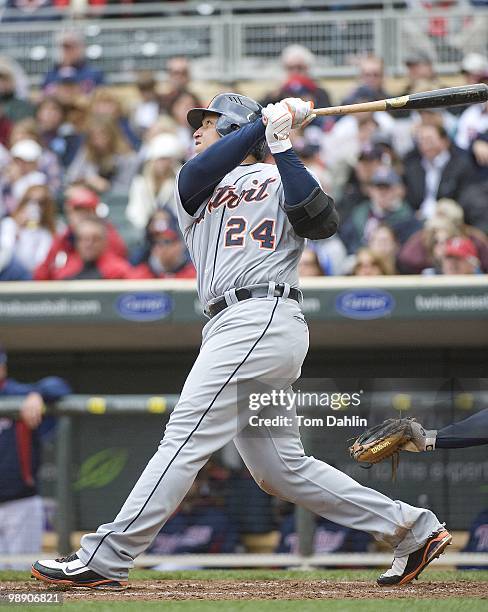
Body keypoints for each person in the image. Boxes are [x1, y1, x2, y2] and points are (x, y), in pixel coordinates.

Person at [32, 93, 450, 590]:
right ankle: (412, 528)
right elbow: (202, 167)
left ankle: (107, 556)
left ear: (232, 127)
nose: (196, 131)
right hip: (234, 324)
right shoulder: (194, 182)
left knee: (184, 436)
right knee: (281, 470)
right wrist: (262, 129)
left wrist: (281, 144)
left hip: (262, 315)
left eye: (207, 123)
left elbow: (322, 223)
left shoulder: (280, 174)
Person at [0, 344, 72, 569]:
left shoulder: (17, 394)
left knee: (21, 573)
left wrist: (37, 394)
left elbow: (59, 387)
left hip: (20, 501)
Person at [34, 185, 127, 280]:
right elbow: (41, 274)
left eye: (86, 210)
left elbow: (118, 269)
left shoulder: (107, 235)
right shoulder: (64, 238)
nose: (80, 216)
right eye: (76, 210)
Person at [402, 124, 477, 219]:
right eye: (421, 140)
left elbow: (465, 197)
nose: (425, 144)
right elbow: (409, 198)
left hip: (450, 217)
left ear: (445, 141)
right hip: (418, 218)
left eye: (429, 140)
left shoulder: (461, 164)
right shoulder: (413, 167)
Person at [340, 167, 420, 255]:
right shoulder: (360, 212)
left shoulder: (407, 217)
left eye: (387, 188)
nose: (383, 193)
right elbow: (347, 238)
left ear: (397, 190)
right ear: (371, 190)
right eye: (379, 188)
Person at [38, 217, 134, 281]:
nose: (88, 244)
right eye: (83, 239)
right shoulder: (65, 267)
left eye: (95, 239)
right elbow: (39, 279)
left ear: (105, 241)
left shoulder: (119, 269)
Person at [65, 116, 139, 195]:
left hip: (116, 202)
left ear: (113, 135)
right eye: (93, 136)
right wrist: (89, 180)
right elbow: (71, 176)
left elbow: (125, 189)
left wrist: (106, 187)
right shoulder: (88, 152)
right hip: (89, 198)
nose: (97, 141)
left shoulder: (128, 157)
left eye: (102, 135)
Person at [126, 133, 183, 230]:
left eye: (167, 159)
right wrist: (149, 224)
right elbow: (135, 210)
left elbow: (180, 209)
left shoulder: (179, 181)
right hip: (147, 231)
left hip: (174, 228)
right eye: (161, 159)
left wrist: (168, 219)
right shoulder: (140, 183)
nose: (163, 163)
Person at [0, 184, 56, 279]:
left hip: (32, 277)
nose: (34, 206)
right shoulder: (10, 224)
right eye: (30, 200)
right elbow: (6, 253)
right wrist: (18, 228)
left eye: (40, 202)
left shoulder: (46, 233)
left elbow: (41, 261)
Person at [131, 211, 195, 280]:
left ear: (179, 244)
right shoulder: (141, 276)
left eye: (166, 242)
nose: (159, 247)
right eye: (154, 242)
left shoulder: (194, 274)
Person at [43, 30, 104, 96]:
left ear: (81, 47)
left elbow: (102, 97)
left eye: (72, 46)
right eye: (65, 47)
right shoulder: (51, 74)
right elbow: (43, 97)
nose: (68, 51)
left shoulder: (94, 74)